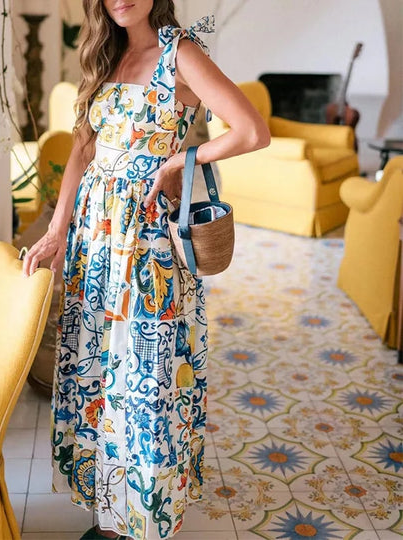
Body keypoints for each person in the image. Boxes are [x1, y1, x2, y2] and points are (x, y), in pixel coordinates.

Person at [22, 1, 270, 538]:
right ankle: (111, 519)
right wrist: (57, 230)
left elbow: (252, 131)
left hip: (147, 244)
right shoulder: (104, 54)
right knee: (98, 374)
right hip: (95, 241)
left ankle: (145, 519)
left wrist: (183, 159)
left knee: (145, 380)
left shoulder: (180, 52)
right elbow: (83, 149)